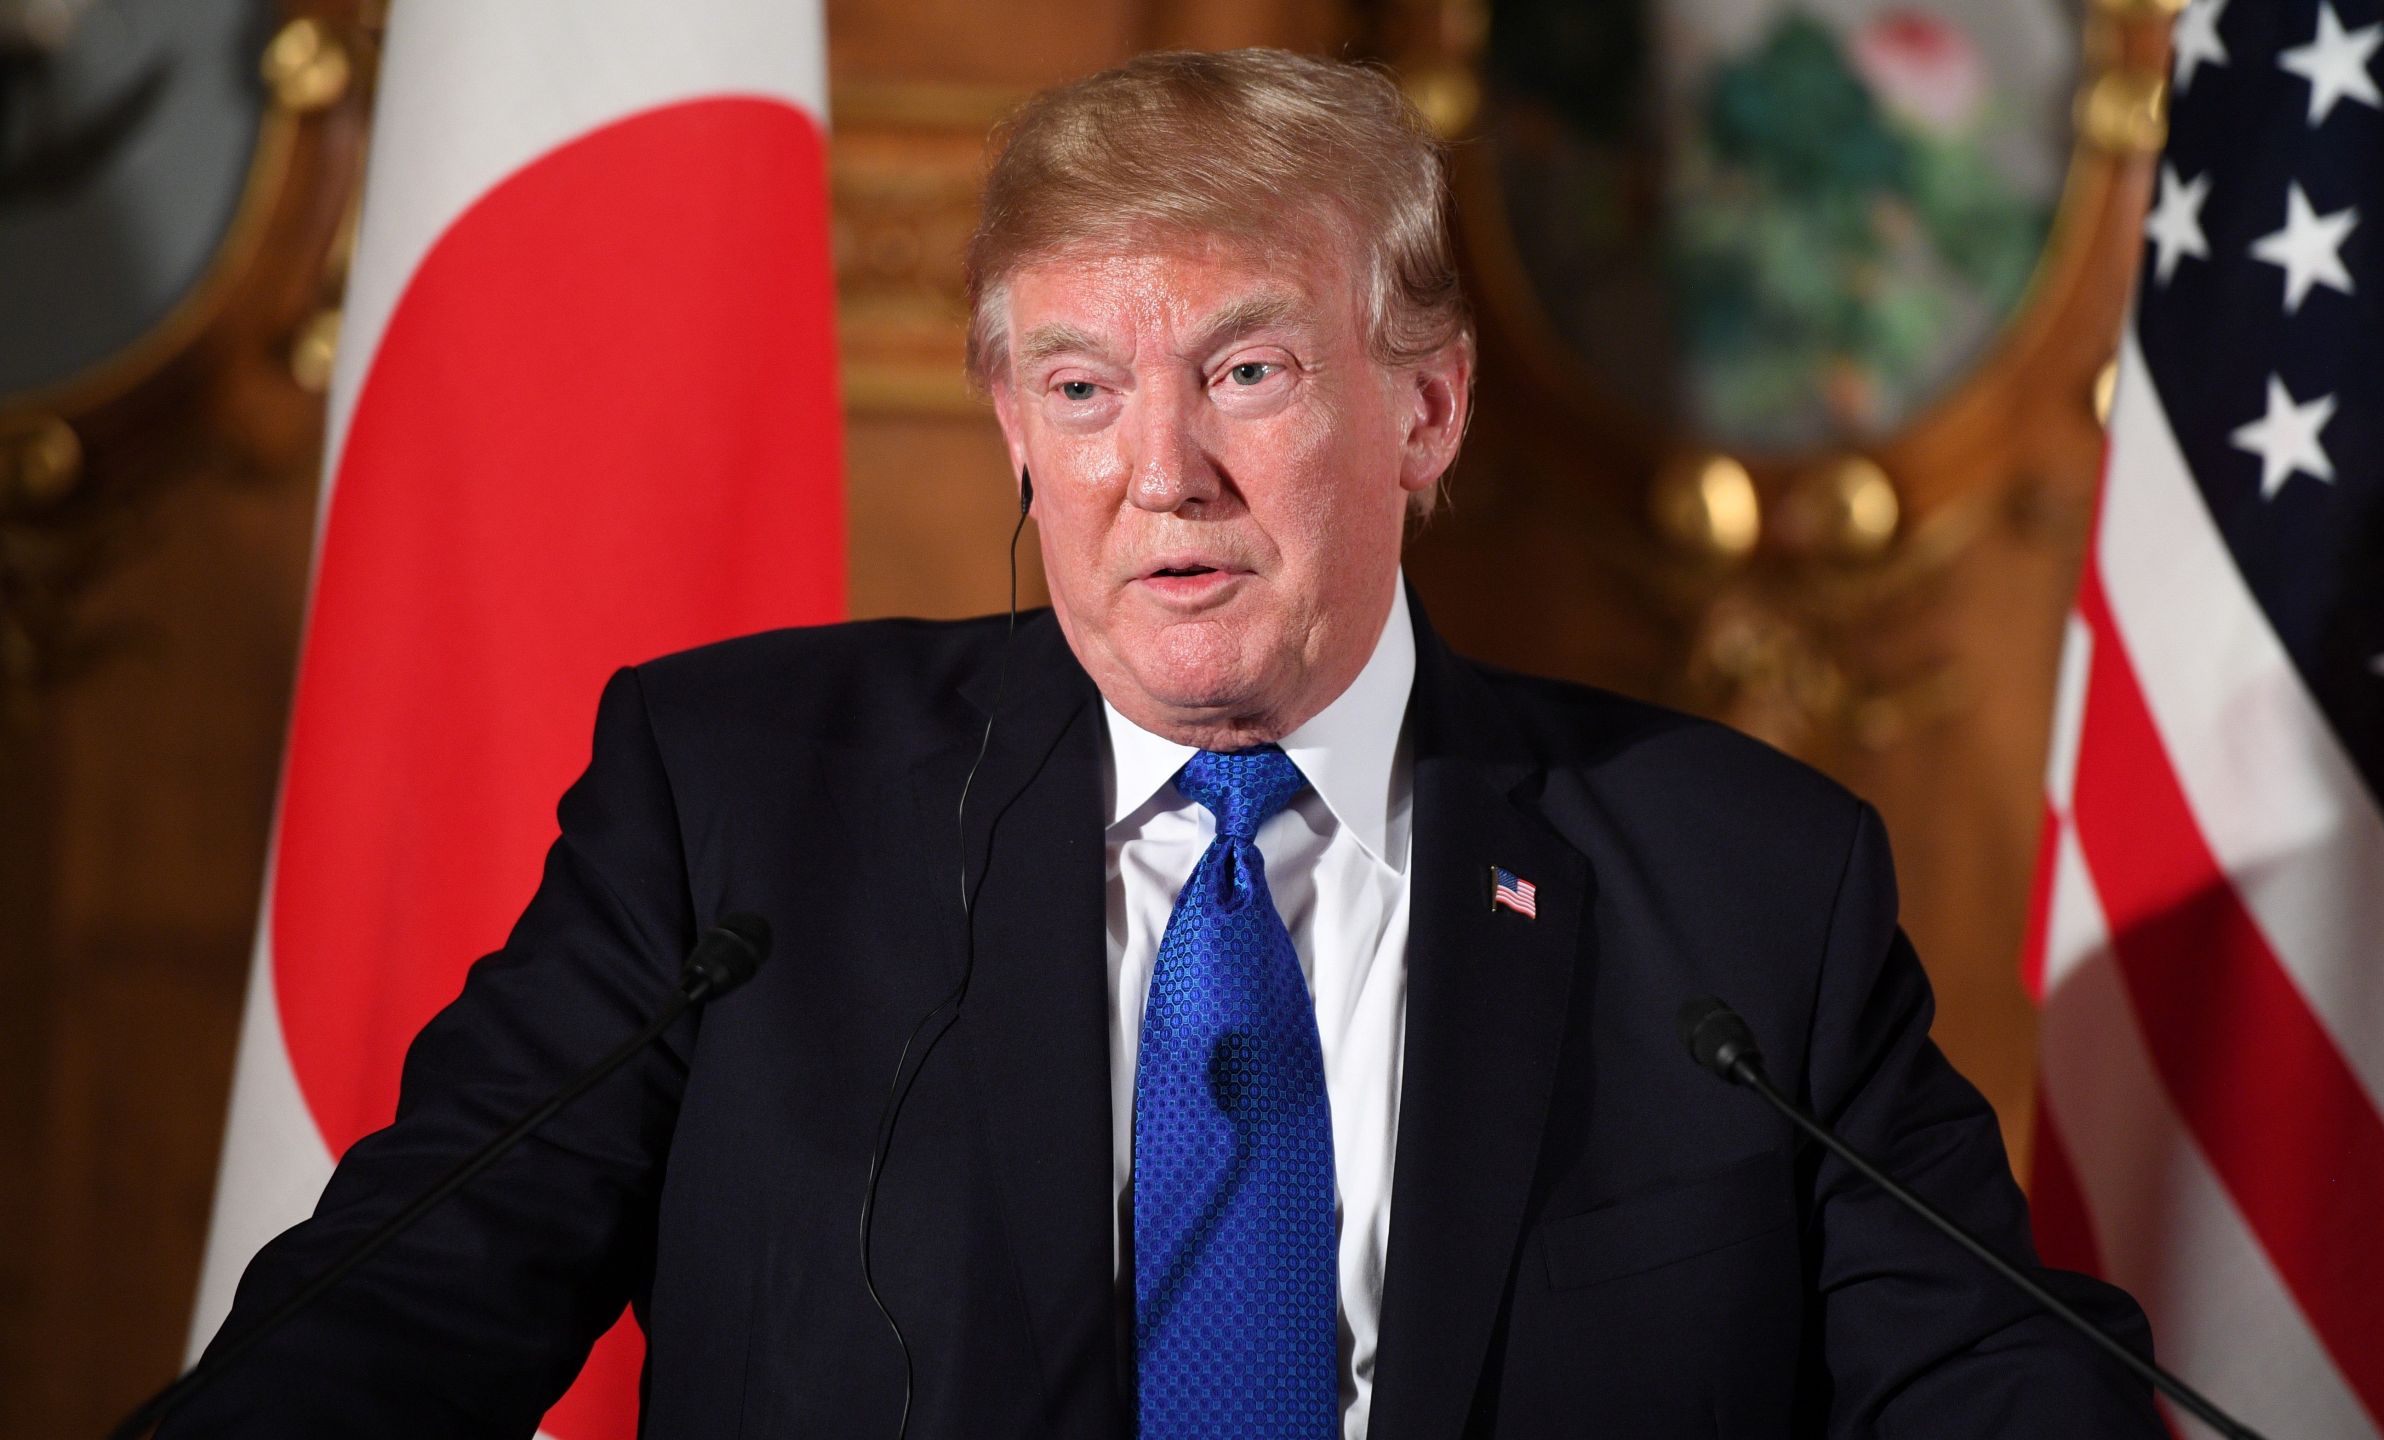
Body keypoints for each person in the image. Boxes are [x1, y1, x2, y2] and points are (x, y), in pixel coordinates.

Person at [173, 48, 2164, 1439]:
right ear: (1015, 428)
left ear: (1427, 412)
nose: (1163, 477)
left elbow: (1992, 1388)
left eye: (1246, 370)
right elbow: (397, 1315)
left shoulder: (1737, 885)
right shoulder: (740, 820)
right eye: (1082, 384)